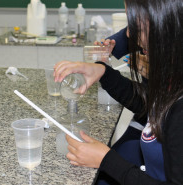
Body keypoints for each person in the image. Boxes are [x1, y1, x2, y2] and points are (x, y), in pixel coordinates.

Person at [54, 0, 183, 184]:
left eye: (135, 23)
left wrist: (107, 161)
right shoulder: (173, 81)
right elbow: (150, 106)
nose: (129, 34)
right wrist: (103, 72)